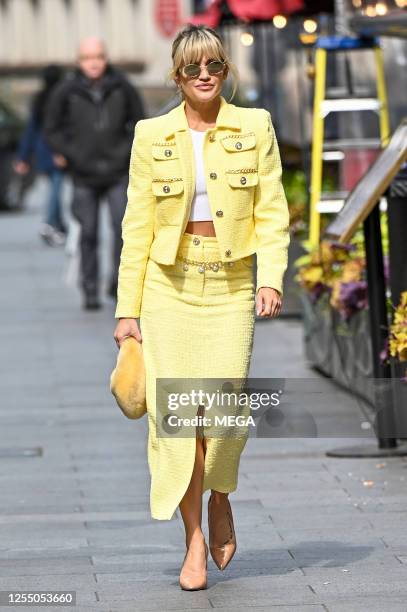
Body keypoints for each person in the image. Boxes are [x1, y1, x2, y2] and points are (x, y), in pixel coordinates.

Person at [113, 24, 290, 590]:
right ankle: (193, 540)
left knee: (223, 416)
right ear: (177, 75)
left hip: (233, 285)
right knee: (180, 422)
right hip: (169, 287)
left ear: (225, 70)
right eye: (192, 68)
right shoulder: (151, 134)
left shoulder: (254, 125)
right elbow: (136, 226)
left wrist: (273, 279)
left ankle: (221, 496)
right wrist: (127, 309)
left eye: (213, 64)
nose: (205, 74)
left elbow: (274, 211)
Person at [43, 37, 145, 310]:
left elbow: (140, 122)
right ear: (79, 62)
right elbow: (51, 128)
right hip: (83, 173)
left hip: (117, 171)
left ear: (106, 58)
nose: (94, 63)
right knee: (87, 233)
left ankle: (117, 284)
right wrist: (69, 152)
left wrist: (126, 151)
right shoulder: (66, 90)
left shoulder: (122, 86)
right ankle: (89, 288)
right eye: (88, 58)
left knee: (122, 231)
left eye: (98, 56)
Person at [14, 64, 67, 247]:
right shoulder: (62, 98)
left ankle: (59, 225)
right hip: (57, 150)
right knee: (56, 188)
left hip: (42, 150)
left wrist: (24, 157)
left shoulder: (39, 99)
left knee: (53, 187)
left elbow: (31, 129)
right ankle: (50, 222)